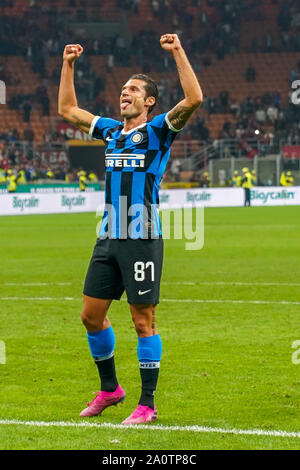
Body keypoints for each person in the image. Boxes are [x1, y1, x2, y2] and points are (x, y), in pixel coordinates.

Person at [58, 35, 203, 425]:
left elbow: (193, 99)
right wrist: (68, 63)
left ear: (149, 101)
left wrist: (176, 52)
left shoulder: (157, 131)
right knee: (91, 316)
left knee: (143, 321)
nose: (125, 94)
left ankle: (148, 404)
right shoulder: (109, 131)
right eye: (123, 90)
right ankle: (110, 390)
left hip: (142, 236)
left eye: (134, 90)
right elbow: (68, 108)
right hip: (108, 236)